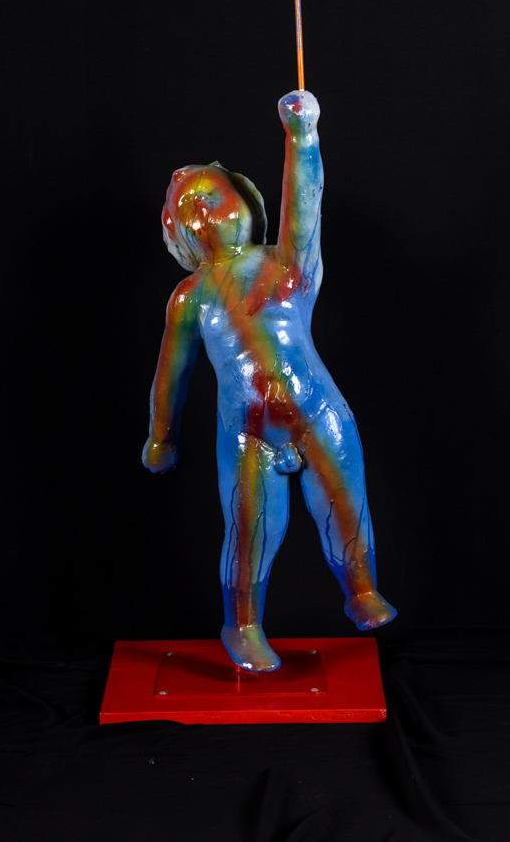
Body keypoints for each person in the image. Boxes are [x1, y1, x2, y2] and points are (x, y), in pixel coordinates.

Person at [143, 90, 396, 672]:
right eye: (188, 209)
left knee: (346, 502)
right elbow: (170, 373)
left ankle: (361, 588)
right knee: (251, 530)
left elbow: (304, 210)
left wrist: (301, 137)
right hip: (246, 435)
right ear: (177, 233)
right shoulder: (189, 297)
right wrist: (161, 435)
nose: (204, 212)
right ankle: (243, 624)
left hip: (319, 411)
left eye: (213, 196)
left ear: (248, 202)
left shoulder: (284, 265)